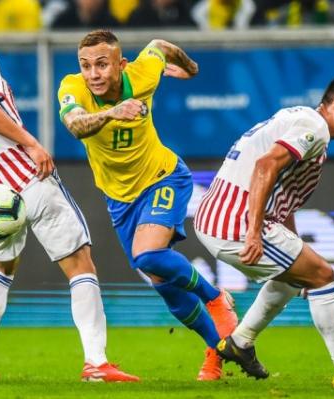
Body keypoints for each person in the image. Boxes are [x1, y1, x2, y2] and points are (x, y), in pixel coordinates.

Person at [0, 11, 138, 382]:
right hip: (28, 179)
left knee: (0, 268)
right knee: (80, 264)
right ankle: (97, 363)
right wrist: (33, 143)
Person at [57, 29, 238, 381]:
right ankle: (219, 350)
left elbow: (160, 45)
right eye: (86, 66)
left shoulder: (142, 73)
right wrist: (113, 114)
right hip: (120, 199)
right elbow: (75, 125)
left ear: (121, 65)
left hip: (163, 177)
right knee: (163, 285)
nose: (93, 74)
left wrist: (191, 67)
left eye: (102, 65)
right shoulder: (72, 86)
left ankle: (216, 299)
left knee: (148, 255)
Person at [194, 76, 334, 388]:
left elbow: (283, 199)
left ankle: (240, 344)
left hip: (217, 216)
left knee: (293, 277)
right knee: (323, 275)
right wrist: (254, 232)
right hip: (236, 221)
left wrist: (295, 249)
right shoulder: (315, 128)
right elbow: (264, 167)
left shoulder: (296, 117)